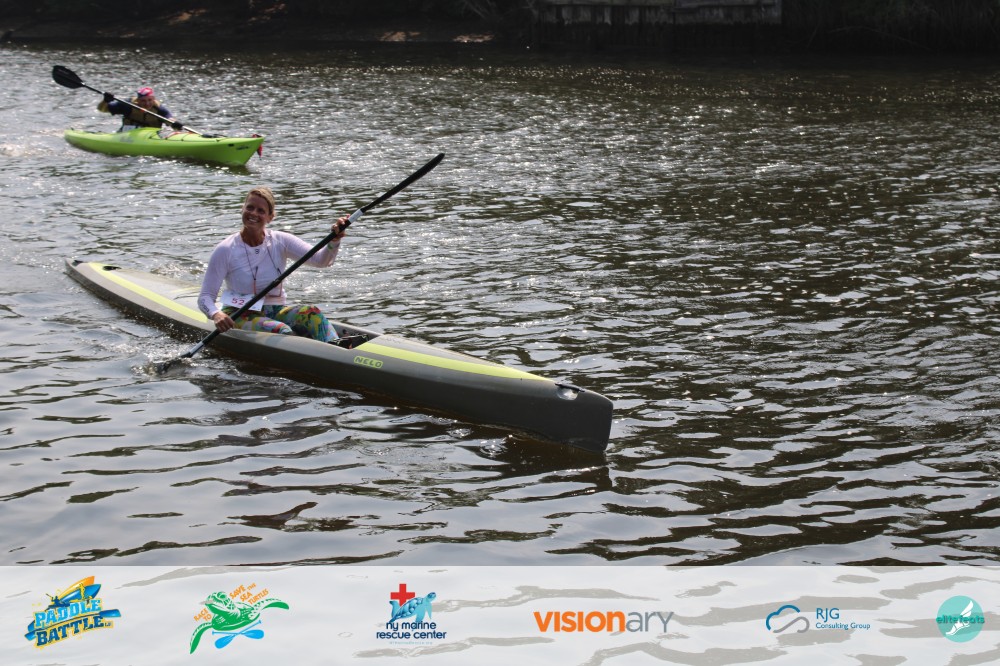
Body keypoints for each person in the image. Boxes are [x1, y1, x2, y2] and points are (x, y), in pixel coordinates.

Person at [197, 186, 349, 344]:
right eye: (250, 207)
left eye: (261, 211)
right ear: (242, 209)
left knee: (312, 312)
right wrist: (216, 314)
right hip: (239, 315)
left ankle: (337, 347)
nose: (253, 213)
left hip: (275, 310)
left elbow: (321, 261)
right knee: (281, 330)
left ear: (270, 217)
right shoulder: (226, 249)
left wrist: (334, 240)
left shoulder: (281, 241)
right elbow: (205, 297)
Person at [97, 86, 182, 131]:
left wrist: (174, 124)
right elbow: (102, 109)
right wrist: (105, 101)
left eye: (149, 100)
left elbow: (169, 118)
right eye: (143, 101)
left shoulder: (159, 109)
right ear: (138, 100)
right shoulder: (128, 105)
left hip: (151, 137)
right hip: (126, 136)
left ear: (153, 99)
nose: (147, 103)